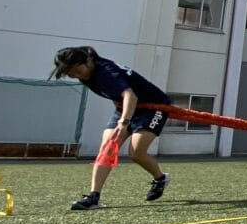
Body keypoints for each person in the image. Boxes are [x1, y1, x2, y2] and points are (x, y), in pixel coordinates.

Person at [50, 46, 173, 210]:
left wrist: (124, 123)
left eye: (78, 71)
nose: (78, 76)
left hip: (153, 107)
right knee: (107, 147)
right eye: (72, 74)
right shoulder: (86, 72)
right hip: (126, 107)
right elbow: (117, 92)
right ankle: (94, 197)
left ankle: (160, 179)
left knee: (136, 152)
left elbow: (130, 95)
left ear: (88, 61)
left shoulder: (105, 71)